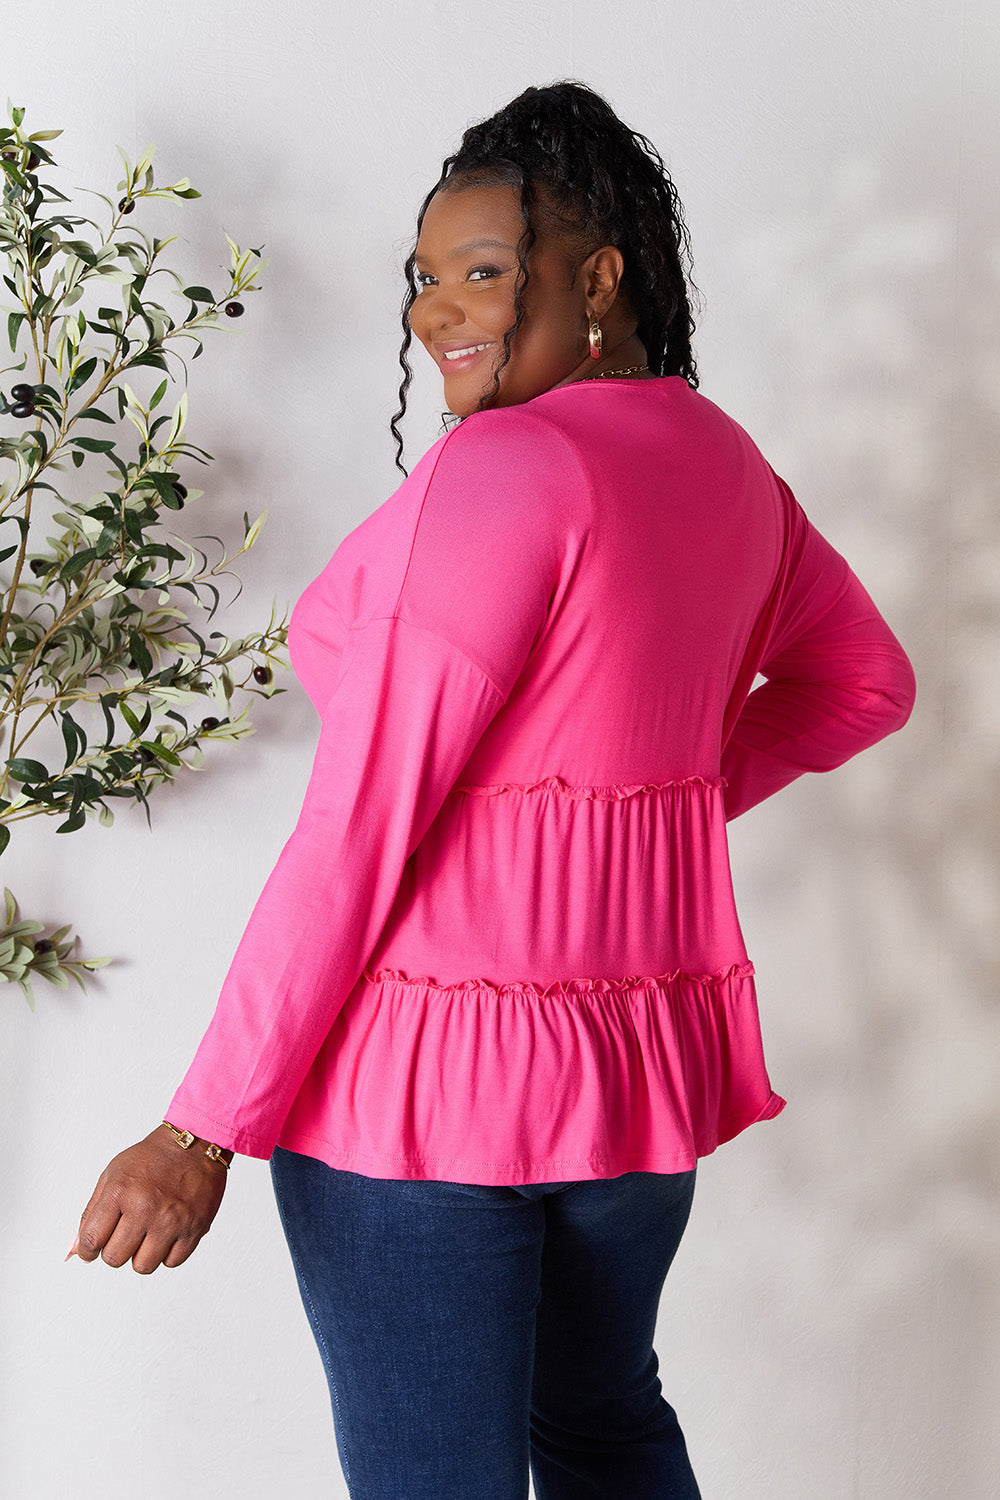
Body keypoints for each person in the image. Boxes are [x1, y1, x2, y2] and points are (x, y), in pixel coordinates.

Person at [71, 80, 916, 1500]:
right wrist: (654, 805)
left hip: (418, 1102)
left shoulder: (509, 466)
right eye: (425, 279)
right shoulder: (724, 464)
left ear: (597, 277)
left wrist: (197, 1130)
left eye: (484, 271)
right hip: (629, 1090)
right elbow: (865, 684)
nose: (441, 313)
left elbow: (358, 833)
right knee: (607, 1433)